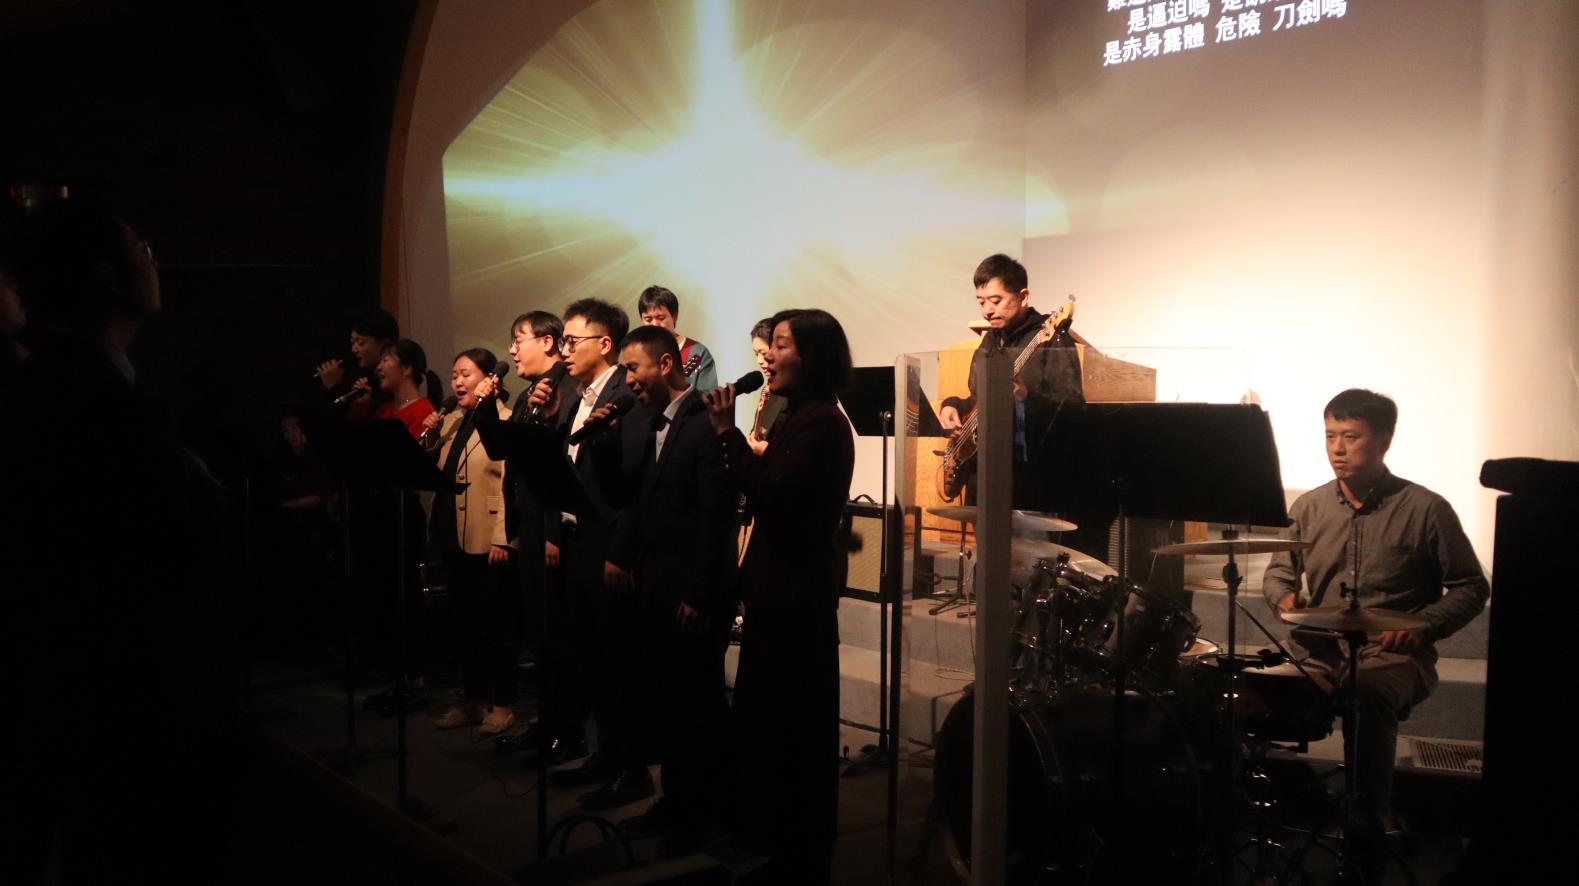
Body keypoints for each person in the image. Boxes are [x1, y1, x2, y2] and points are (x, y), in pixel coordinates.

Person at [3, 198, 236, 883]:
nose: (153, 259)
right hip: (120, 713)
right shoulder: (97, 404)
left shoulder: (53, 384)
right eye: (140, 246)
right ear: (105, 274)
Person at [1262, 389, 1489, 837]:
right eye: (1330, 435)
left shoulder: (1426, 509)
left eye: (1351, 436)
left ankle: (1367, 821)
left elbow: (1471, 585)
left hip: (1394, 653)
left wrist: (1425, 626)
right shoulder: (1307, 507)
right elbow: (1277, 573)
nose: (1337, 449)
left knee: (1366, 691)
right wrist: (1283, 596)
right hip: (1317, 650)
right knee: (1239, 684)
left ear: (1384, 441)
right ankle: (1269, 808)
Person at [703, 308, 855, 885]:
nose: (769, 355)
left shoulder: (822, 423)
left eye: (782, 344)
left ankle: (800, 856)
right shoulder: (797, 414)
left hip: (797, 600)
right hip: (777, 594)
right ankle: (774, 841)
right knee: (770, 725)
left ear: (811, 356)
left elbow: (772, 494)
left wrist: (726, 434)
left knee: (795, 729)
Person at [607, 325, 736, 856]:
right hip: (656, 586)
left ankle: (706, 814)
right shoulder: (645, 420)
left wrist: (701, 592)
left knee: (698, 706)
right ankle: (677, 802)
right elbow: (634, 499)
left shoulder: (704, 422)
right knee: (670, 701)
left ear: (665, 365)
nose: (627, 380)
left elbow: (716, 517)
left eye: (633, 368)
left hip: (692, 591)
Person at [524, 297, 649, 807]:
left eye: (573, 341)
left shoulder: (626, 394)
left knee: (619, 660)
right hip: (577, 542)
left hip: (608, 545)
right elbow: (564, 469)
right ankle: (604, 754)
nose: (565, 351)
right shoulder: (577, 397)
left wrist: (620, 550)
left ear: (605, 344)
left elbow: (635, 484)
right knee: (590, 656)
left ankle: (631, 767)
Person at [474, 310, 589, 763]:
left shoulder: (566, 388)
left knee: (558, 635)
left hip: (552, 526)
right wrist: (486, 406)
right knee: (538, 634)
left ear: (547, 342)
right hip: (529, 526)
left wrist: (556, 530)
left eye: (518, 339)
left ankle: (567, 731)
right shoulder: (527, 393)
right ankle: (546, 722)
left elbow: (564, 465)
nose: (512, 350)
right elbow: (502, 448)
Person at [422, 348, 519, 735]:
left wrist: (502, 537)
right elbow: (432, 469)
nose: (458, 382)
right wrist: (431, 433)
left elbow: (509, 482)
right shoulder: (451, 421)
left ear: (490, 379)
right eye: (454, 375)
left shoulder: (506, 420)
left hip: (488, 535)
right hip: (452, 535)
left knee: (496, 624)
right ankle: (473, 700)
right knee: (465, 625)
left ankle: (503, 705)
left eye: (466, 374)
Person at [316, 308, 399, 419]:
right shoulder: (367, 378)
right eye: (353, 343)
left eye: (360, 343)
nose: (354, 349)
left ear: (385, 344)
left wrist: (334, 387)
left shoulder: (391, 383)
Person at [638, 284, 718, 391]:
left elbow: (708, 395)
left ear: (674, 317)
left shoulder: (698, 352)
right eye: (648, 319)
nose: (655, 324)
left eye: (661, 318)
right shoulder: (637, 354)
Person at [367, 338, 439, 438]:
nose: (379, 367)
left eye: (385, 360)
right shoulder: (383, 411)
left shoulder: (423, 414)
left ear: (406, 368)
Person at [745, 316, 786, 456]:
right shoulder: (769, 389)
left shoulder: (794, 393)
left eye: (763, 353)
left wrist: (767, 451)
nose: (760, 360)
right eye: (756, 354)